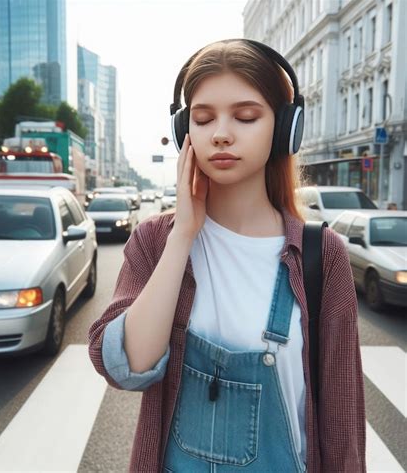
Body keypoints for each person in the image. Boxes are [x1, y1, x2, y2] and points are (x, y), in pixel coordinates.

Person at [88, 39, 366, 472]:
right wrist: (183, 234)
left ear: (285, 128)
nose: (220, 132)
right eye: (202, 119)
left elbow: (341, 418)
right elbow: (128, 367)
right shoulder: (155, 240)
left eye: (246, 116)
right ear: (185, 133)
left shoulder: (321, 255)